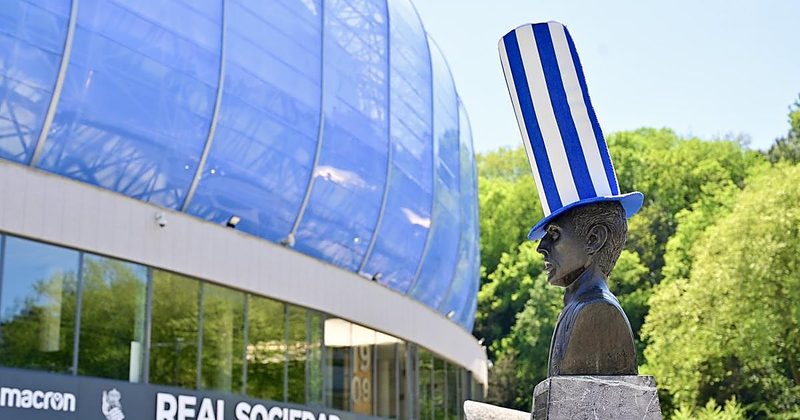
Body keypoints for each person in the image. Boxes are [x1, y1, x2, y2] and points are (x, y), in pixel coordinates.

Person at [536, 201, 637, 376]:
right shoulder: (578, 309)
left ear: (594, 239)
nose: (541, 247)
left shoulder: (598, 311)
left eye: (554, 234)